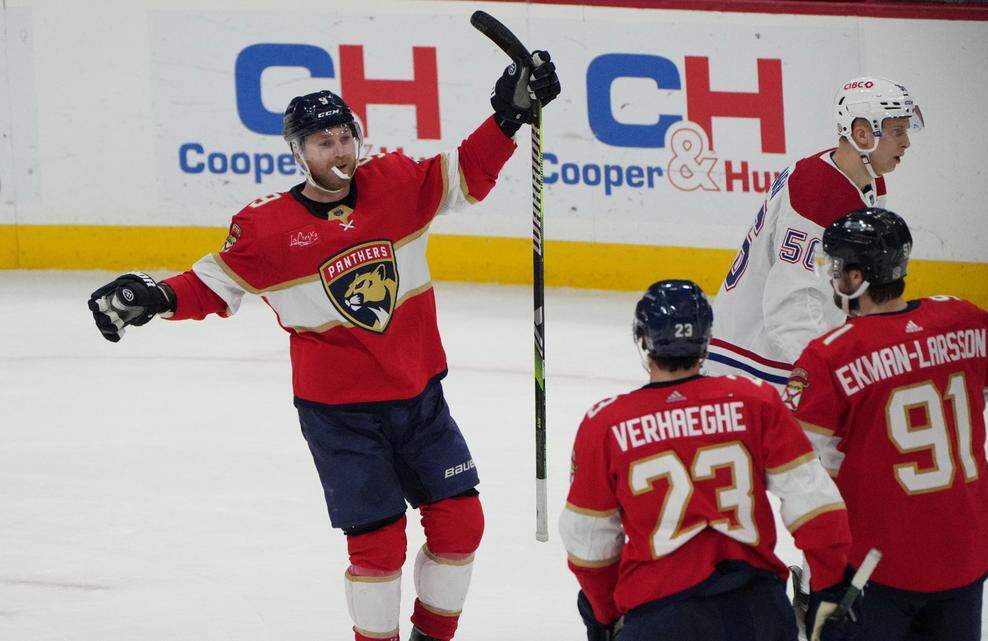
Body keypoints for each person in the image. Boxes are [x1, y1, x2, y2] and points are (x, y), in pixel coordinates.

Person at [87, 52, 561, 641]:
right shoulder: (267, 230)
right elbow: (211, 285)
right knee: (379, 548)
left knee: (462, 524)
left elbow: (464, 174)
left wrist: (507, 117)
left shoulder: (394, 181)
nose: (339, 151)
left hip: (420, 398)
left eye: (345, 137)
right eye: (322, 142)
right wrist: (154, 296)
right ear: (298, 153)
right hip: (341, 418)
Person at [786, 208, 988, 641]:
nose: (832, 275)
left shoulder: (830, 357)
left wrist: (823, 577)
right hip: (964, 552)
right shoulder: (962, 320)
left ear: (857, 278)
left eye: (837, 266)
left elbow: (791, 472)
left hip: (876, 567)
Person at [559, 279, 854, 641]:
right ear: (706, 338)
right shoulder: (755, 400)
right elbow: (818, 507)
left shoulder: (606, 423)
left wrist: (604, 616)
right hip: (759, 613)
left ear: (642, 340)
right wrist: (825, 591)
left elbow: (588, 546)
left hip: (663, 618)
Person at [706, 77, 923, 388]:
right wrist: (831, 371)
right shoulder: (818, 192)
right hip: (755, 359)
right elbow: (791, 309)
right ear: (863, 134)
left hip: (778, 351)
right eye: (897, 130)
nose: (906, 142)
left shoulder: (865, 178)